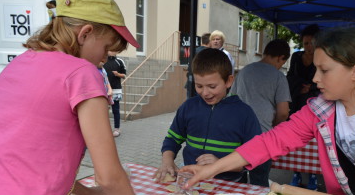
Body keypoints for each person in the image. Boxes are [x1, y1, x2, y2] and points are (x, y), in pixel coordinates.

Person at [181, 27, 355, 195]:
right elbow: (270, 142)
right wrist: (213, 169)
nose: (315, 79)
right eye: (315, 70)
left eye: (324, 70)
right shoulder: (320, 111)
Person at [0, 0, 163, 195]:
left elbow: (30, 154)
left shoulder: (20, 62)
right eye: (105, 48)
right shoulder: (82, 73)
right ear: (85, 33)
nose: (104, 58)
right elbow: (109, 177)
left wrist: (86, 192)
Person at [153, 48, 262, 184]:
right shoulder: (188, 107)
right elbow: (172, 139)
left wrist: (220, 164)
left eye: (212, 86)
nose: (205, 93)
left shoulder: (244, 113)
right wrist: (167, 160)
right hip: (192, 182)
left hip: (230, 186)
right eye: (199, 86)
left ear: (228, 81)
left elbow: (255, 155)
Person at [230, 39, 292, 187]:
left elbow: (231, 99)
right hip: (262, 136)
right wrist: (274, 126)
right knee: (259, 181)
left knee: (237, 179)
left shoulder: (244, 71)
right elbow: (284, 112)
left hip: (237, 133)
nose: (280, 66)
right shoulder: (279, 77)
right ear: (280, 58)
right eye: (282, 63)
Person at [285, 24, 320, 190]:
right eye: (306, 43)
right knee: (296, 136)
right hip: (298, 100)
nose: (309, 47)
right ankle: (296, 172)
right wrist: (301, 86)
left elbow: (327, 78)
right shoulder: (297, 57)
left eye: (312, 43)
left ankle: (314, 174)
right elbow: (290, 76)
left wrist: (311, 88)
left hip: (315, 102)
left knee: (314, 138)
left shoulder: (322, 57)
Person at [103, 51, 127, 137]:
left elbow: (124, 75)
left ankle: (117, 128)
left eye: (113, 50)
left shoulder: (119, 61)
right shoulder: (103, 60)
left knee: (115, 110)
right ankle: (105, 129)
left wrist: (118, 74)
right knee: (104, 110)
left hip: (116, 90)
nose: (111, 52)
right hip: (104, 90)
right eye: (109, 50)